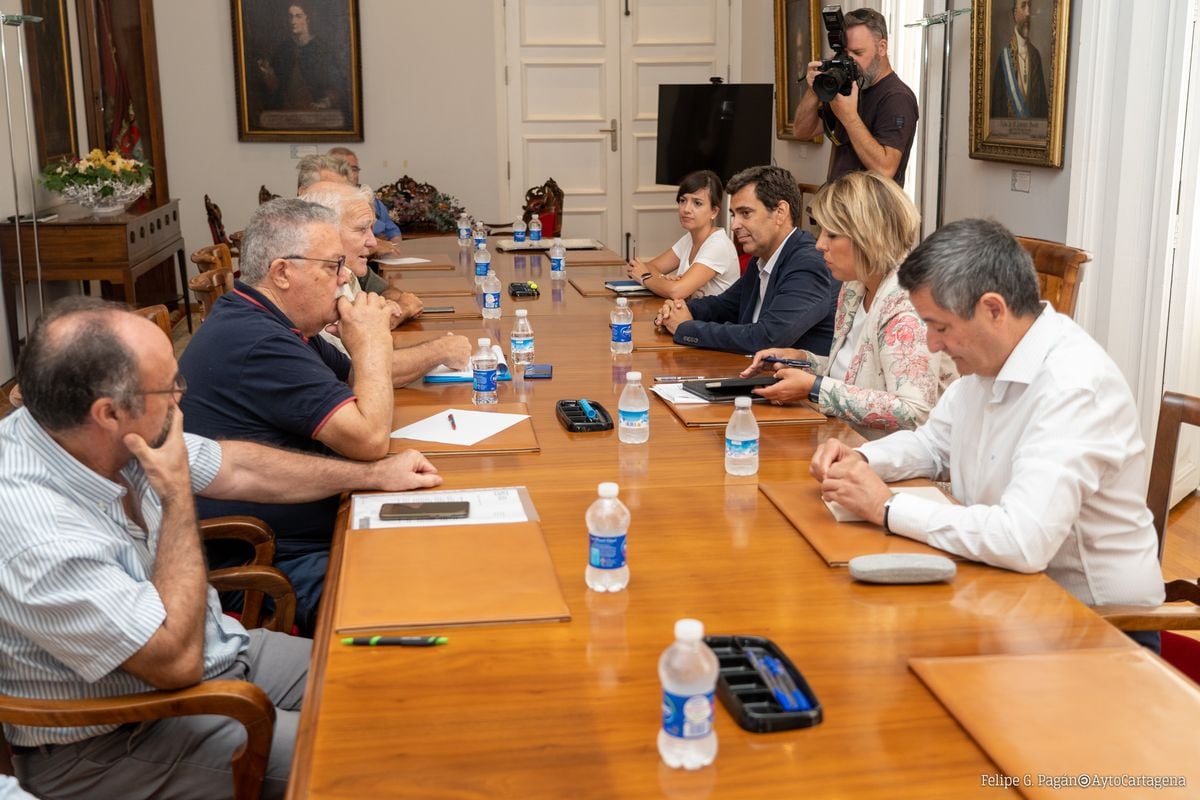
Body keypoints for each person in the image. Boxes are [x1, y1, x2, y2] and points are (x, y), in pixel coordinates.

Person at [0, 296, 441, 798]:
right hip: (120, 737)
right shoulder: (33, 527)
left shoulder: (103, 431)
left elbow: (238, 466)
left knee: (407, 683)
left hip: (220, 656)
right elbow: (174, 664)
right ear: (108, 413)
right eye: (170, 388)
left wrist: (373, 474)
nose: (181, 397)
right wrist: (174, 493)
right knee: (387, 757)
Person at [809, 218, 1164, 649]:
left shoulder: (1073, 388)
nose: (932, 344)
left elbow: (1022, 540)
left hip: (1096, 631)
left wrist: (886, 507)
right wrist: (862, 460)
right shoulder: (991, 361)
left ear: (993, 309)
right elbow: (932, 444)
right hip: (1009, 594)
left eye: (939, 326)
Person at [178, 198, 469, 632]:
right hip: (268, 561)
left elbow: (361, 380)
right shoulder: (258, 341)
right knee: (433, 590)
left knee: (451, 552)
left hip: (315, 526)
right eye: (333, 267)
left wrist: (370, 349)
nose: (345, 279)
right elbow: (370, 440)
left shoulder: (275, 321)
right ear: (282, 272)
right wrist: (371, 341)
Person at [740, 172, 957, 436]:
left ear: (868, 236)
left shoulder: (907, 305)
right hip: (845, 440)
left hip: (896, 463)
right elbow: (858, 373)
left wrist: (814, 387)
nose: (819, 244)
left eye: (831, 235)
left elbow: (912, 410)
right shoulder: (854, 287)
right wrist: (801, 361)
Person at [655, 165, 837, 356]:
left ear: (780, 212)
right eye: (734, 214)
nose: (734, 225)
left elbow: (766, 338)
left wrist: (686, 327)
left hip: (789, 382)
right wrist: (678, 309)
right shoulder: (761, 258)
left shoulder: (808, 265)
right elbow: (725, 305)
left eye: (746, 213)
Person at [791, 7, 919, 187]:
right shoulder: (849, 86)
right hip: (836, 208)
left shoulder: (897, 97)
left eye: (858, 53)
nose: (850, 61)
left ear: (882, 48)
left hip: (871, 212)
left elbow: (885, 169)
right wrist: (815, 90)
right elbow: (802, 131)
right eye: (845, 54)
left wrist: (849, 117)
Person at [301, 181, 423, 326]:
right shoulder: (316, 281)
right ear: (326, 231)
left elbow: (385, 291)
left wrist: (389, 305)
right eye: (362, 229)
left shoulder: (347, 268)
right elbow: (357, 334)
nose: (373, 242)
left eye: (371, 229)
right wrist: (404, 308)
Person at [625, 170, 739, 299]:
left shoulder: (718, 245)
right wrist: (663, 281)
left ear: (714, 211)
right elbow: (651, 266)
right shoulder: (689, 239)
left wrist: (645, 278)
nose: (686, 209)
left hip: (713, 319)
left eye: (697, 203)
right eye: (683, 200)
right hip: (691, 316)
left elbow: (676, 291)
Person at [257, 4, 347, 117]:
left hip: (315, 113)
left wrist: (326, 102)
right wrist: (268, 74)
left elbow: (338, 85)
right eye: (290, 16)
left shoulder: (322, 50)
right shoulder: (283, 49)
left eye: (298, 16)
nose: (293, 21)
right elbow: (276, 89)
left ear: (308, 19)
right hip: (286, 113)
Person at [328, 146, 403, 249]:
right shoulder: (326, 203)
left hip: (382, 259)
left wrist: (395, 248)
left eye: (354, 169)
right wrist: (377, 247)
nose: (350, 174)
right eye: (344, 169)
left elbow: (393, 232)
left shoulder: (371, 200)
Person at [990, 0, 1049, 119]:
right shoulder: (1004, 58)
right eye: (1023, 6)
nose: (1028, 13)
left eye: (1029, 6)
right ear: (1014, 14)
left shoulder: (1035, 56)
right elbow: (996, 113)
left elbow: (1043, 109)